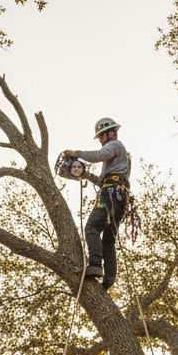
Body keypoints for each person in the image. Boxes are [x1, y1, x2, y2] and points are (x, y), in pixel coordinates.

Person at [62, 117, 130, 289]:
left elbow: (98, 156)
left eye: (101, 136)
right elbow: (101, 181)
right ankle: (109, 279)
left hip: (110, 194)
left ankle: (95, 264)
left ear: (110, 134)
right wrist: (85, 175)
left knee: (92, 228)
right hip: (119, 197)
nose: (100, 140)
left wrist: (76, 153)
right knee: (108, 239)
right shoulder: (118, 161)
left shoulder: (114, 145)